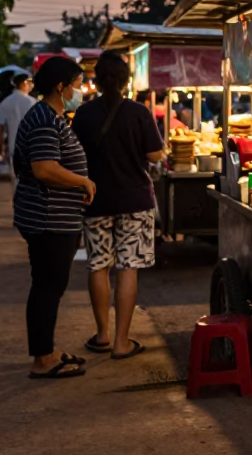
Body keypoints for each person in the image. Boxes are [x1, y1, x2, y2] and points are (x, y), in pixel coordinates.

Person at [72, 51, 164, 360]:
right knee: (128, 268)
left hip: (95, 198)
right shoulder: (138, 112)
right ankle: (122, 342)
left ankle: (102, 335)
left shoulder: (83, 114)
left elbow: (74, 156)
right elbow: (154, 155)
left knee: (98, 265)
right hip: (134, 200)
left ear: (96, 80)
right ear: (126, 81)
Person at [13, 56, 94, 379]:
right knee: (48, 286)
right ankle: (43, 359)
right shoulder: (45, 119)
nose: (81, 90)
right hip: (48, 219)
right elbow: (44, 169)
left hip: (55, 217)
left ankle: (46, 350)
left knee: (49, 286)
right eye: (76, 84)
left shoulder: (53, 115)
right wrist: (83, 181)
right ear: (60, 87)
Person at [0, 73, 36, 193]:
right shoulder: (32, 102)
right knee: (31, 179)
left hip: (14, 147)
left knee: (15, 179)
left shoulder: (6, 102)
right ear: (24, 83)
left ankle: (17, 204)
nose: (31, 85)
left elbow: (0, 127)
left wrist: (0, 146)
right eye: (30, 82)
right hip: (31, 147)